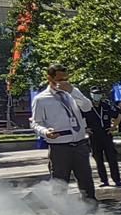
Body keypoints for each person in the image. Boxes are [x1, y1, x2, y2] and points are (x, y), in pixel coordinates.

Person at [31, 64, 96, 201]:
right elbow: (35, 122)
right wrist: (45, 132)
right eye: (59, 80)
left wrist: (72, 91)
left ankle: (91, 209)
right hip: (60, 147)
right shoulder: (41, 99)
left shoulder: (72, 93)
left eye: (66, 79)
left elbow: (87, 107)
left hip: (79, 144)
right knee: (60, 184)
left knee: (86, 181)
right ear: (49, 78)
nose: (63, 83)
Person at [85, 87, 121, 188]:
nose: (97, 96)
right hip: (94, 136)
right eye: (95, 94)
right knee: (98, 159)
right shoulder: (86, 107)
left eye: (99, 94)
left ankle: (117, 180)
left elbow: (118, 114)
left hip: (106, 135)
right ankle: (104, 180)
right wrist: (85, 129)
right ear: (91, 94)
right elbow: (78, 119)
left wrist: (114, 126)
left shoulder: (106, 106)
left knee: (112, 158)